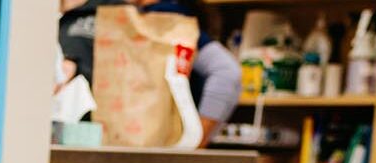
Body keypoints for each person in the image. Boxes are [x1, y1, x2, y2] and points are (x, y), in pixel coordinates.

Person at [59, 0, 241, 146]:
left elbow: (226, 73)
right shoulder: (110, 15)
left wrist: (195, 142)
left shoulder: (165, 19)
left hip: (149, 150)